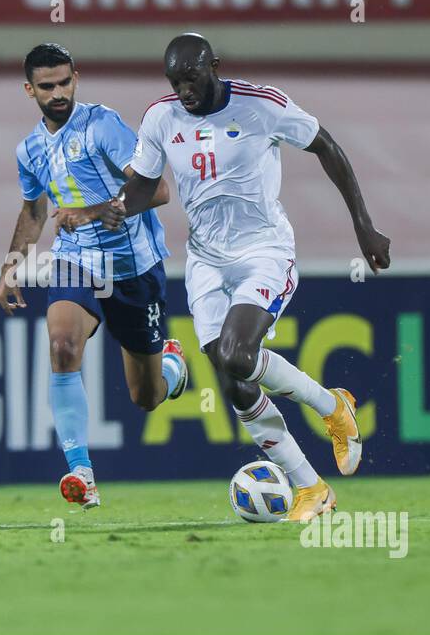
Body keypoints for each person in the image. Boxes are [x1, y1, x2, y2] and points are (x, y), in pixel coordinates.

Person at [86, 33, 392, 522]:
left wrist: (364, 227)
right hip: (206, 261)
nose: (183, 89)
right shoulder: (161, 117)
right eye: (175, 81)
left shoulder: (261, 105)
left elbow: (327, 147)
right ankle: (311, 488)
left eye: (191, 78)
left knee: (235, 353)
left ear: (214, 67)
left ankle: (331, 406)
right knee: (235, 382)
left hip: (263, 251)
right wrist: (120, 207)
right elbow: (144, 184)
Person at [0, 43, 188, 509]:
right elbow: (35, 209)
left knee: (146, 396)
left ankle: (172, 369)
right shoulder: (29, 149)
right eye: (47, 86)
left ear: (76, 78)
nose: (58, 92)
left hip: (134, 268)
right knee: (62, 347)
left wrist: (97, 210)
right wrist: (11, 266)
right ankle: (82, 473)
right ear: (29, 90)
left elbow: (158, 190)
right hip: (75, 260)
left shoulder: (103, 126)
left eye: (65, 82)